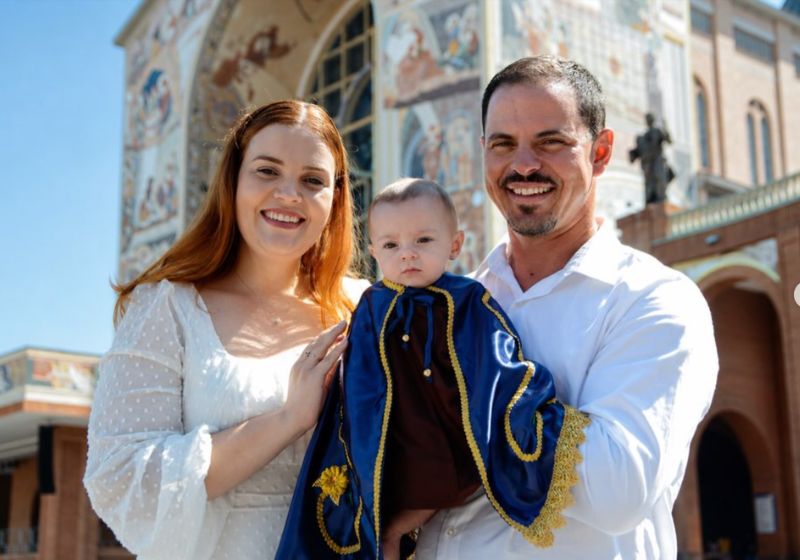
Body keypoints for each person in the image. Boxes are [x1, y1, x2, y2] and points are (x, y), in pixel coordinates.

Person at [412, 56, 718, 558]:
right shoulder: (457, 299)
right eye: (503, 145)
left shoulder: (653, 299)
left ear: (600, 153)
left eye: (551, 142)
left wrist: (460, 392)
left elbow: (616, 487)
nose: (524, 164)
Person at [83, 100, 368, 560]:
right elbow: (118, 477)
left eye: (312, 180)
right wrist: (286, 421)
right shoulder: (168, 307)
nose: (289, 194)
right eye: (267, 171)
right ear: (232, 182)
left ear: (335, 197)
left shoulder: (363, 308)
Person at [277, 178, 589, 559]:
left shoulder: (468, 298)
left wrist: (517, 404)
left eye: (423, 241)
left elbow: (496, 360)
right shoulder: (373, 306)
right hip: (392, 441)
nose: (407, 254)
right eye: (391, 245)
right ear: (374, 252)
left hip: (450, 439)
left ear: (454, 245)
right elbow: (359, 383)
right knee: (372, 520)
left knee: (422, 502)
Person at [629, 112, 675, 204]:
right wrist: (633, 154)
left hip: (658, 162)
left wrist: (666, 129)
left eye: (650, 118)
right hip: (648, 165)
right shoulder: (642, 137)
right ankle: (652, 200)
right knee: (650, 184)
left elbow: (669, 141)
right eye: (647, 119)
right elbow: (637, 152)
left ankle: (661, 198)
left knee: (660, 179)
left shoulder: (658, 132)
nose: (648, 121)